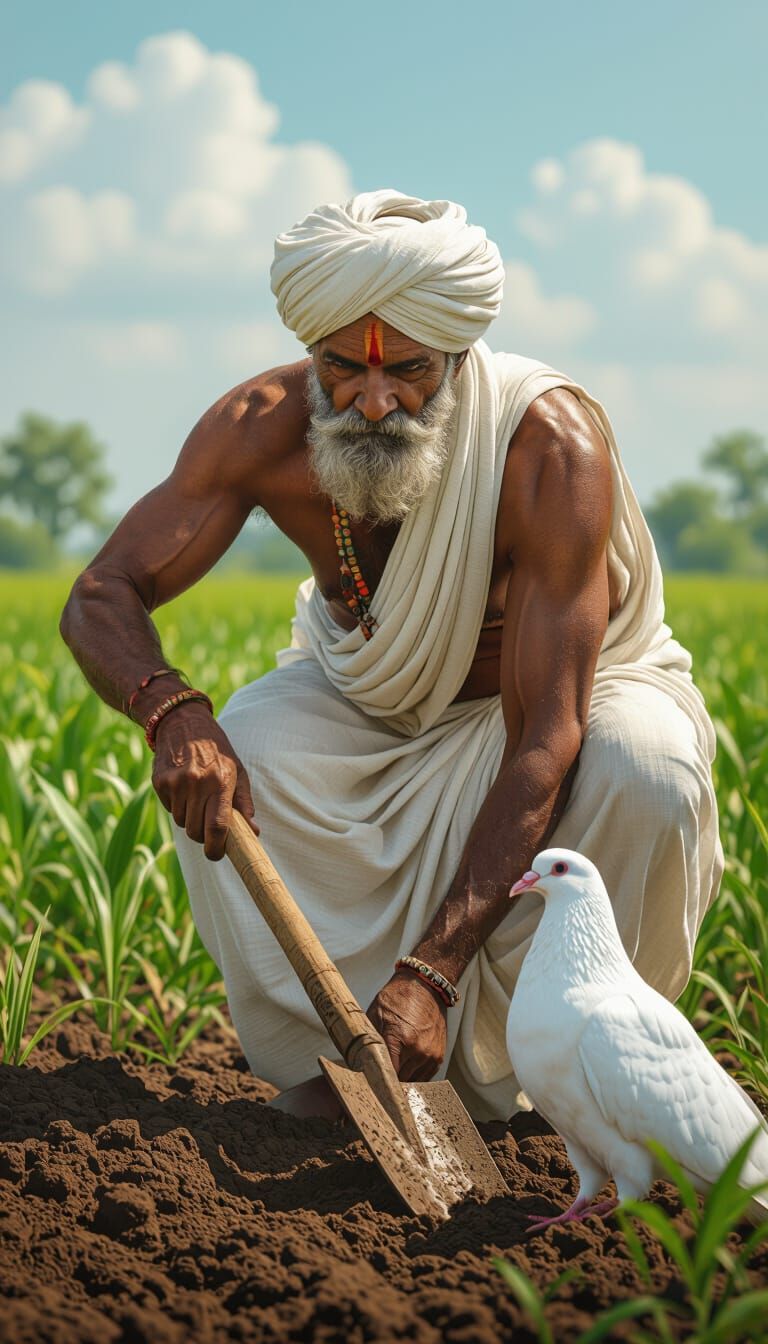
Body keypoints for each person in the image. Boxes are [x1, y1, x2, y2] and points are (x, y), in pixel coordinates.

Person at [60, 190, 723, 1122]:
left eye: (409, 371)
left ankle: (567, 1077)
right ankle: (349, 1069)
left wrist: (435, 970)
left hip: (548, 708)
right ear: (312, 352)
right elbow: (103, 592)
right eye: (341, 368)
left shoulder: (545, 447)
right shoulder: (259, 425)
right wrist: (173, 710)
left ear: (454, 353)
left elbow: (546, 736)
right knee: (249, 745)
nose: (374, 401)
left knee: (644, 768)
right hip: (374, 698)